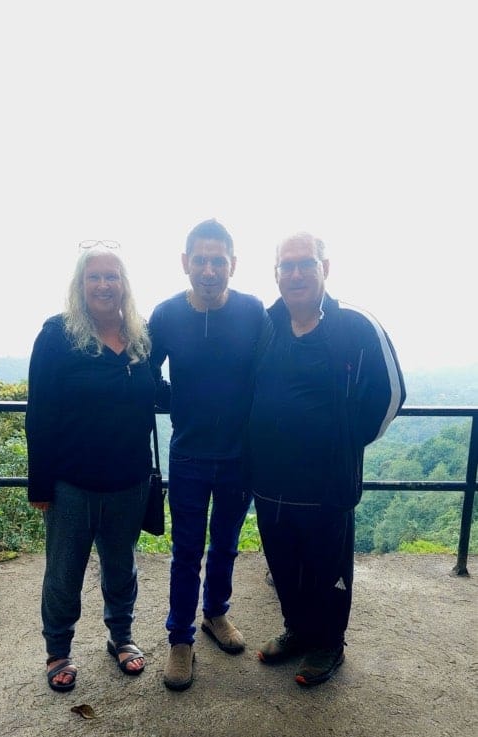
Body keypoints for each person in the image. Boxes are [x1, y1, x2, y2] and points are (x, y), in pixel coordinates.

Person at [249, 231, 406, 685]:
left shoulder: (354, 325)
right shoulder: (265, 326)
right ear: (276, 273)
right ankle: (297, 630)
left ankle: (328, 644)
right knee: (284, 566)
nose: (296, 274)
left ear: (325, 269)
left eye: (306, 264)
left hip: (327, 484)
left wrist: (347, 443)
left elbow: (391, 393)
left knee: (327, 569)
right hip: (270, 483)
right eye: (287, 265)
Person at [25, 241, 155, 691]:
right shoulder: (57, 336)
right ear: (80, 285)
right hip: (71, 484)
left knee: (122, 567)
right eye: (94, 277)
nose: (103, 284)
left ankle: (121, 636)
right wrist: (40, 485)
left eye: (111, 276)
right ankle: (58, 650)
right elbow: (39, 413)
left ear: (124, 284)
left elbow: (155, 390)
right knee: (64, 573)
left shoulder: (140, 336)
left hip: (129, 482)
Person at [148, 219, 269, 691]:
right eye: (200, 260)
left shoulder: (252, 311)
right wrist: (175, 401)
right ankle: (180, 638)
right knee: (186, 551)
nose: (209, 270)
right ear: (185, 262)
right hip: (189, 455)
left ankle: (215, 613)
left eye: (218, 261)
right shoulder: (166, 315)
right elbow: (146, 372)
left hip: (240, 455)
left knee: (226, 543)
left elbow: (268, 371)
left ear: (233, 264)